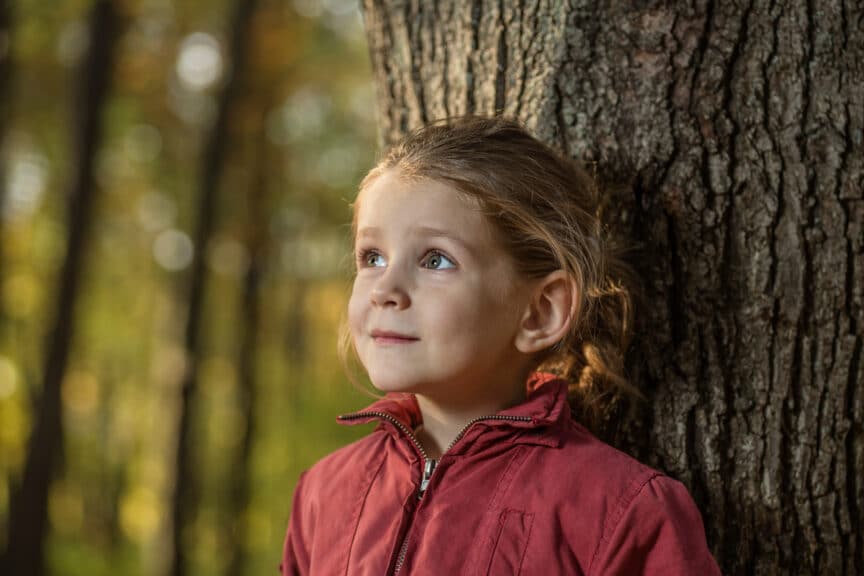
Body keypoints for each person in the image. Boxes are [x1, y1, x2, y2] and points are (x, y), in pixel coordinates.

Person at [279, 117, 722, 575]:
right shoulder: (324, 493)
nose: (384, 288)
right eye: (372, 257)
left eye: (436, 260)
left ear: (542, 311)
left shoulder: (622, 512)